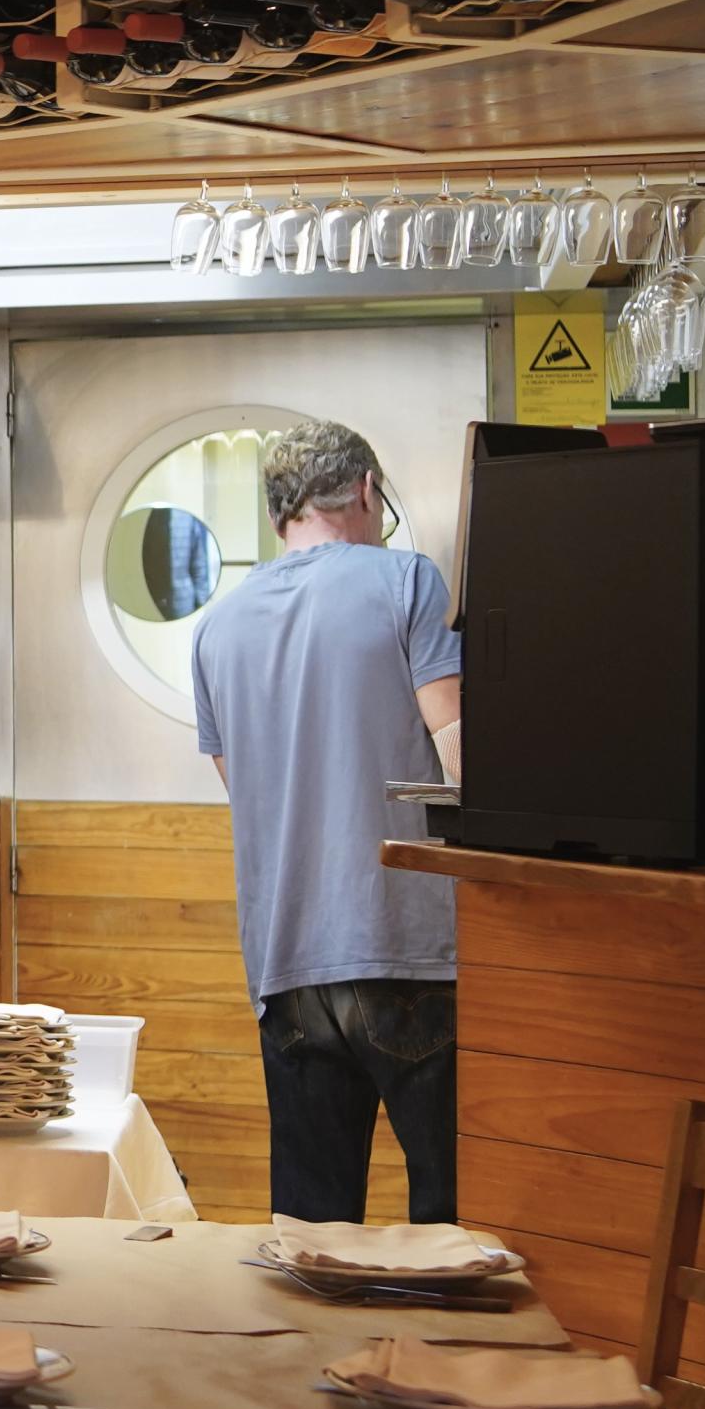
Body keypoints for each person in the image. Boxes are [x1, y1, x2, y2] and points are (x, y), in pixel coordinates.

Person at [187, 421, 466, 1225]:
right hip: (407, 951)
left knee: (312, 1236)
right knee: (454, 1224)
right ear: (367, 492)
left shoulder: (215, 629)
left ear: (279, 513)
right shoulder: (406, 580)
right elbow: (459, 756)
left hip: (286, 967)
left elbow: (251, 793)